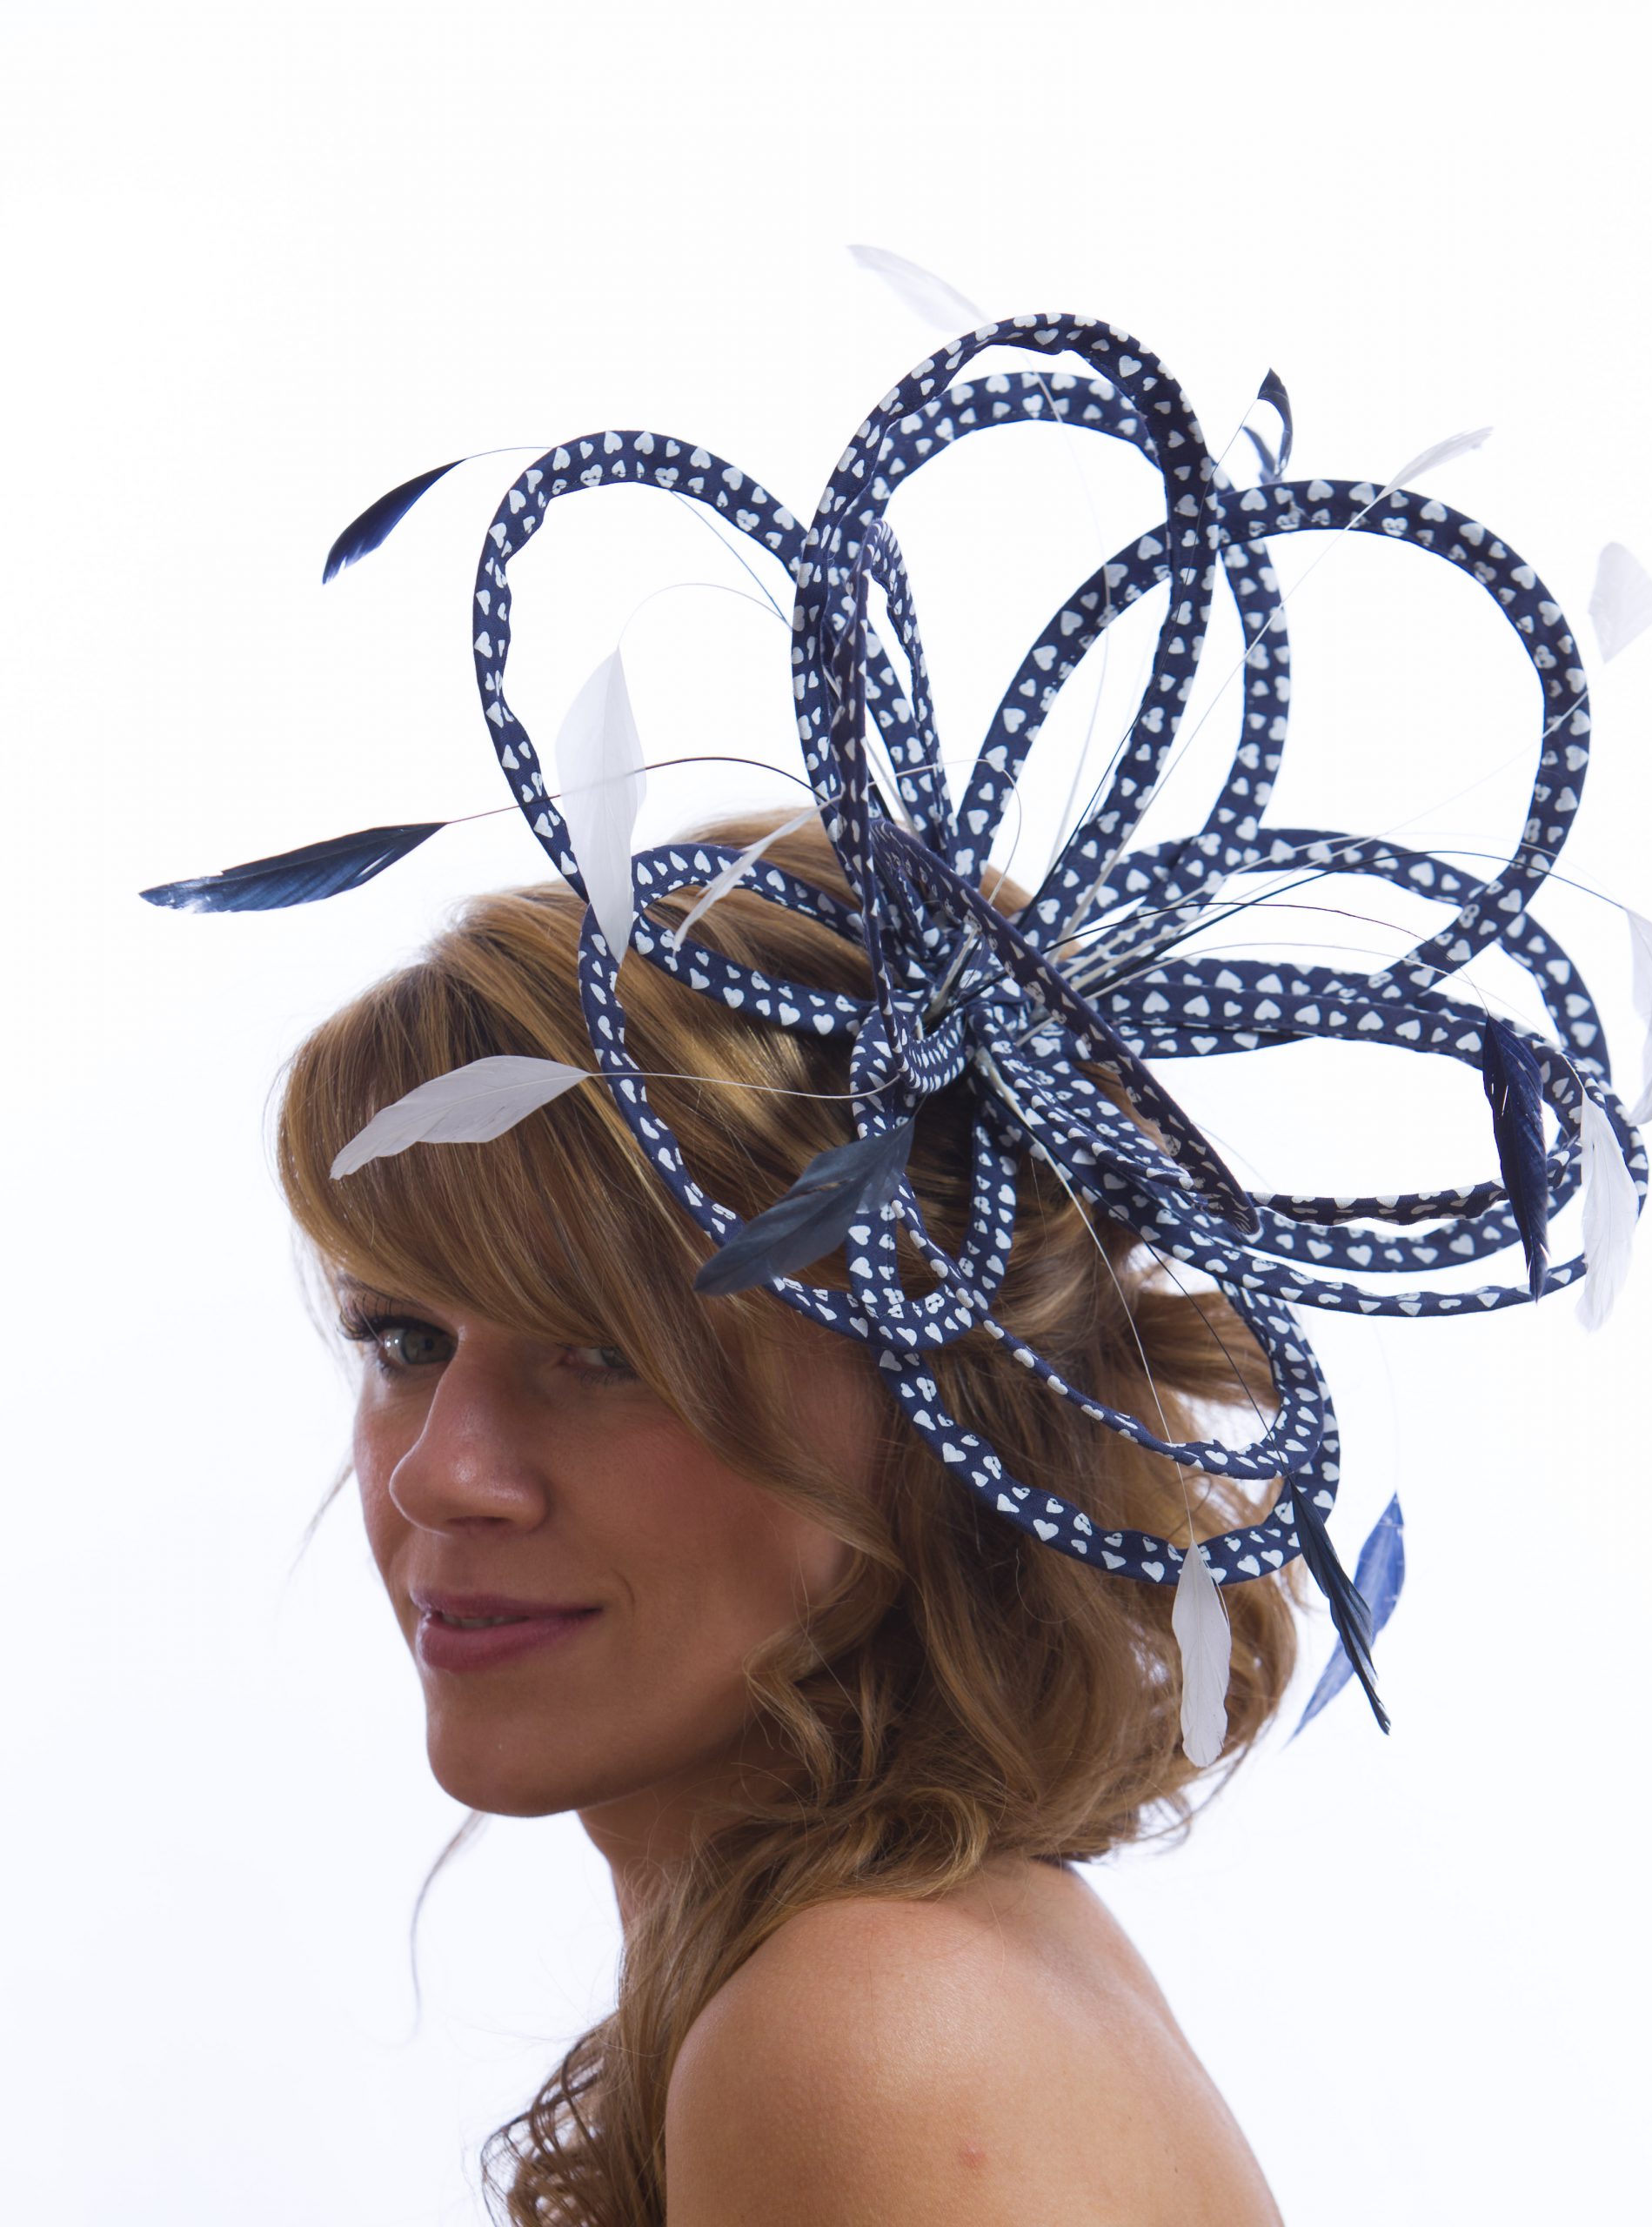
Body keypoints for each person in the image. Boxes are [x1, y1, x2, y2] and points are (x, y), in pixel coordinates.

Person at [274, 813, 1299, 2226]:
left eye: (610, 1352)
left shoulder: (868, 2036)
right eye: (404, 1340)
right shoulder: (924, 1963)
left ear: (944, 1414)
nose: (440, 1476)